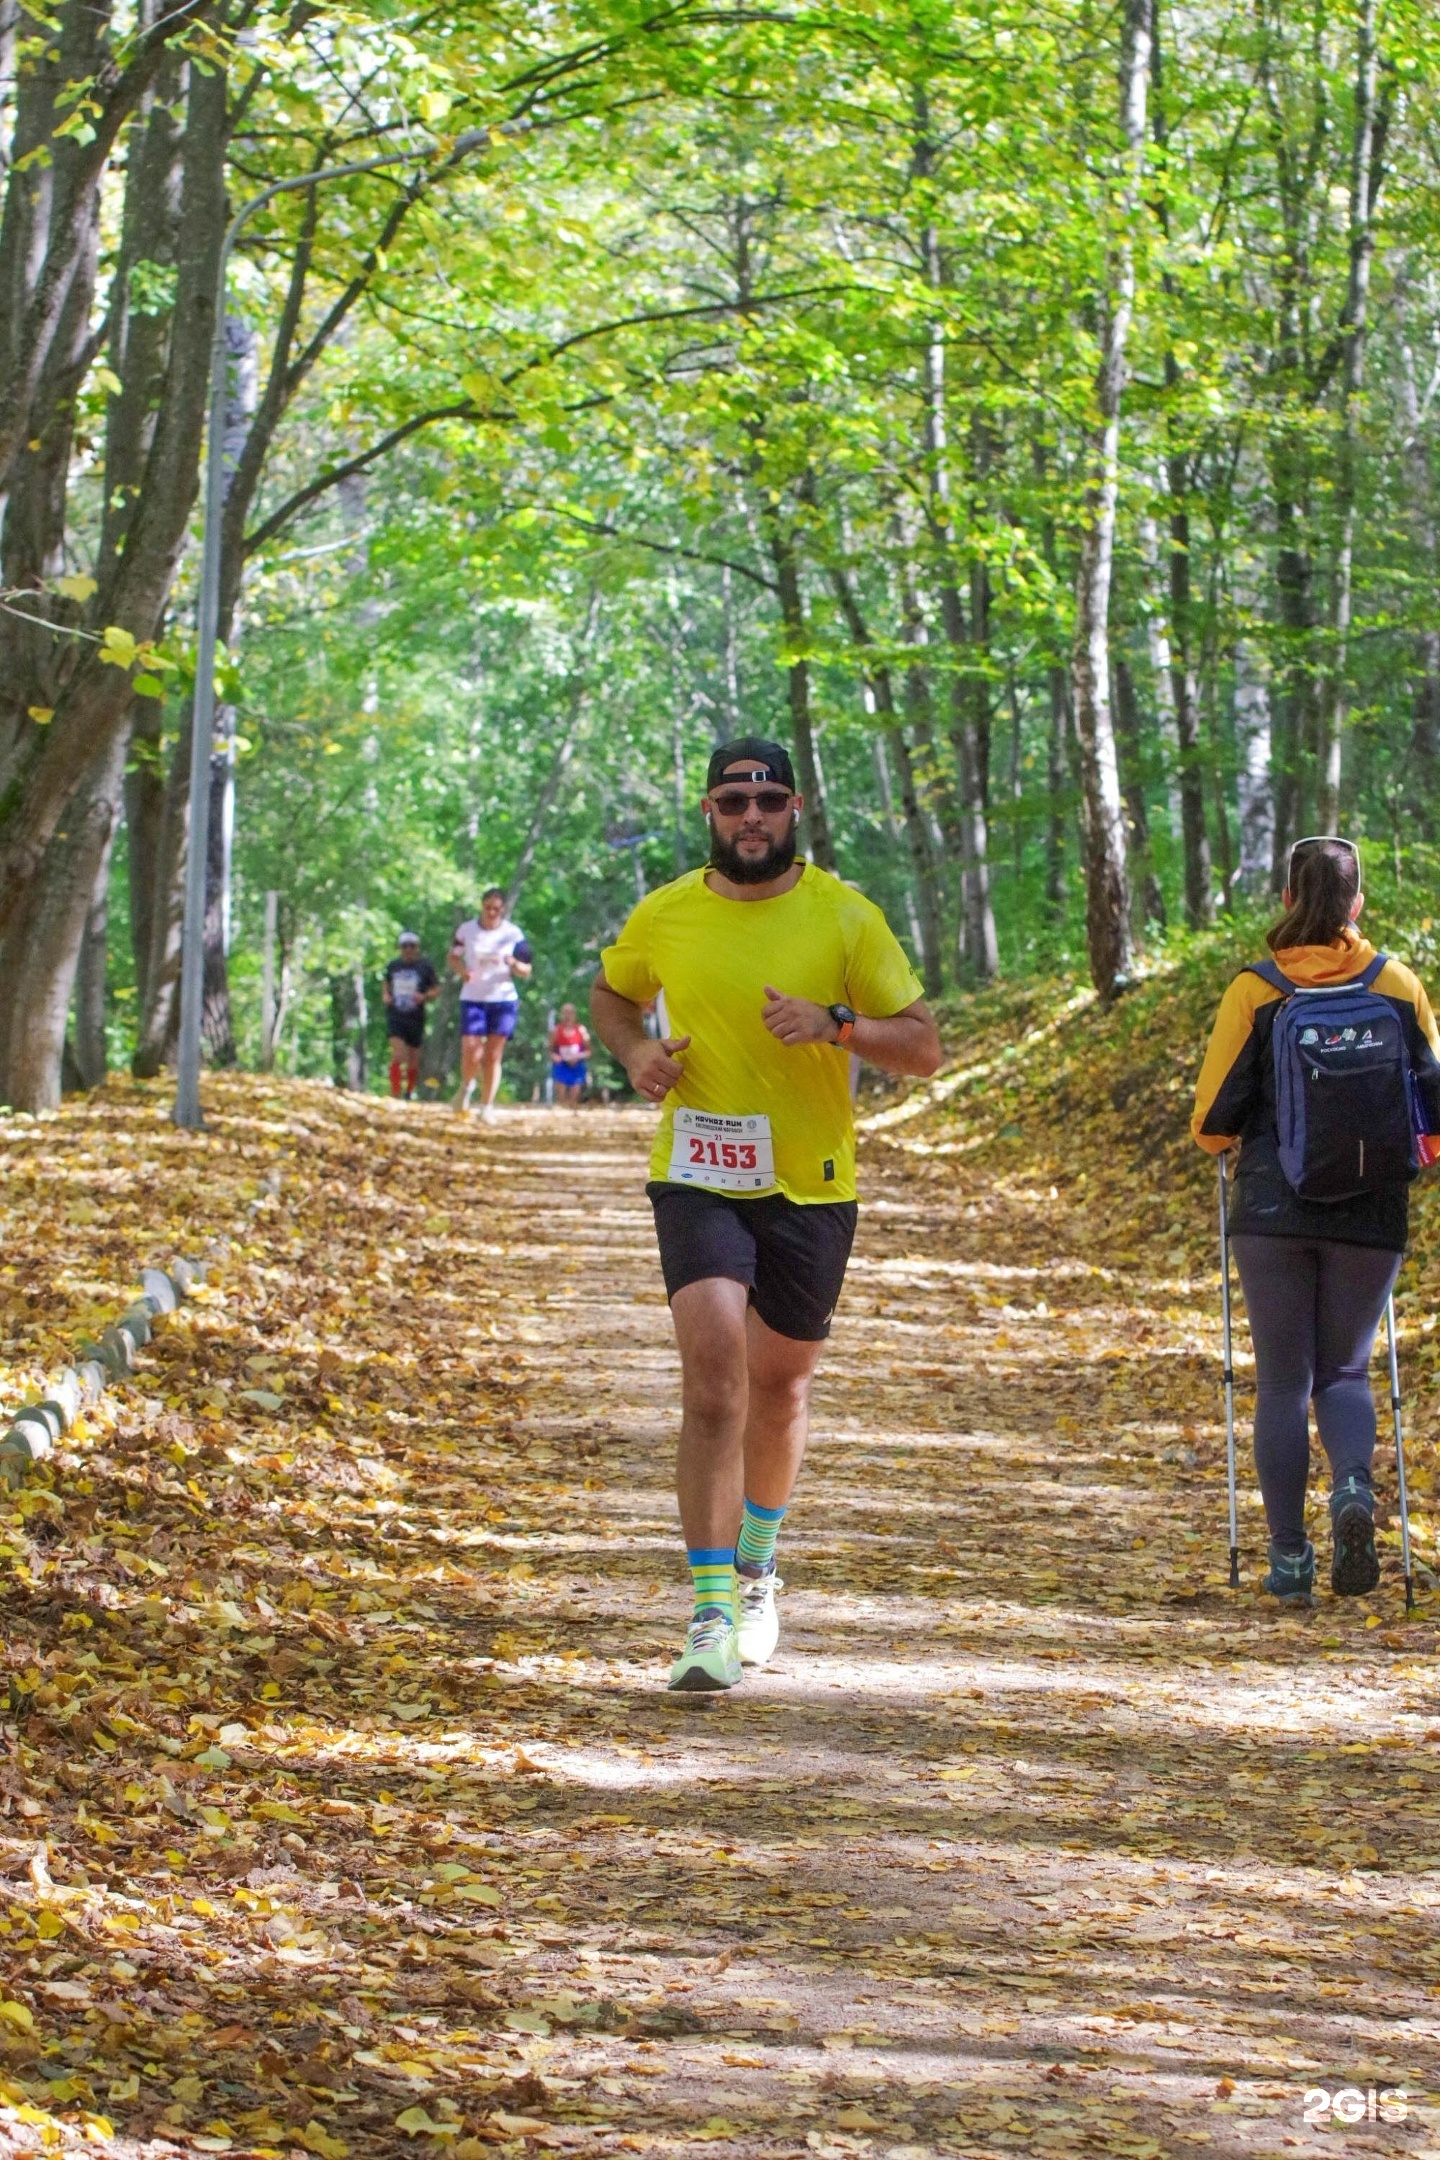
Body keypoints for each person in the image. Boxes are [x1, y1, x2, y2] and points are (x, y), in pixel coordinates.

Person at [591, 736, 941, 1691]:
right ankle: (709, 1614)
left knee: (779, 1386)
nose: (753, 817)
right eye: (734, 801)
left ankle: (757, 1566)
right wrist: (634, 1056)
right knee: (713, 1380)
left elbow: (922, 1046)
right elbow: (614, 996)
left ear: (795, 812)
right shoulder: (666, 912)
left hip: (811, 1181)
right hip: (697, 1170)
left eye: (770, 801)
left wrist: (836, 1024)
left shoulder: (845, 916)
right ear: (708, 812)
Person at [1192, 835, 1440, 1605]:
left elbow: (1210, 1123)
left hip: (1273, 1208)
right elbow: (1432, 1108)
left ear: (1290, 900)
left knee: (1282, 1383)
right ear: (1357, 905)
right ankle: (1354, 1492)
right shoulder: (1397, 984)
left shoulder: (1256, 989)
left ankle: (1290, 1560)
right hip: (1370, 1211)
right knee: (1345, 1371)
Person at [450, 888, 532, 1120]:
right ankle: (466, 1086)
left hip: (503, 998)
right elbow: (453, 956)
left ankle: (487, 1107)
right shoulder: (467, 930)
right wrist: (462, 972)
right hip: (473, 997)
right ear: (482, 906)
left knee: (493, 1055)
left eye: (497, 909)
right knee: (471, 1049)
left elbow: (527, 969)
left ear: (503, 909)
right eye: (488, 908)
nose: (492, 912)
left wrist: (514, 964)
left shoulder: (514, 934)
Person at [382, 932, 440, 1099]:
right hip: (396, 1015)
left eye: (412, 946)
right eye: (405, 946)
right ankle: (395, 1091)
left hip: (416, 1016)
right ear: (400, 948)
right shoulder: (393, 966)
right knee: (398, 1054)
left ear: (417, 948)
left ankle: (409, 1091)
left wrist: (424, 996)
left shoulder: (425, 967)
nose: (408, 950)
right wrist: (386, 995)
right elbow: (386, 982)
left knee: (413, 1058)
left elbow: (436, 989)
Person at [550, 1003, 591, 1108]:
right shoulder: (556, 1030)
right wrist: (555, 1057)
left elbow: (589, 1051)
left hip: (577, 1065)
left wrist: (578, 1057)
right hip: (562, 1064)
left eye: (570, 1012)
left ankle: (573, 1110)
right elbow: (551, 1050)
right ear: (561, 1014)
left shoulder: (581, 1030)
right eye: (565, 1012)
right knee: (561, 1091)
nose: (568, 1016)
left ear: (575, 1014)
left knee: (575, 1093)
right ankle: (561, 1110)